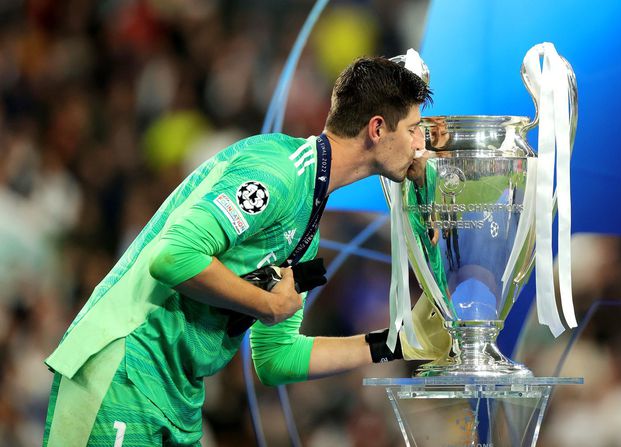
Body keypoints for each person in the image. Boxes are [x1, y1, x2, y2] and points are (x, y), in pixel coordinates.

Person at [42, 55, 432, 446]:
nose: (420, 143)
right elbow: (173, 256)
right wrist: (266, 305)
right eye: (414, 129)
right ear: (377, 128)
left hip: (176, 393)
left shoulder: (308, 221)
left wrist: (396, 343)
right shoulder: (278, 173)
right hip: (123, 369)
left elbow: (277, 359)